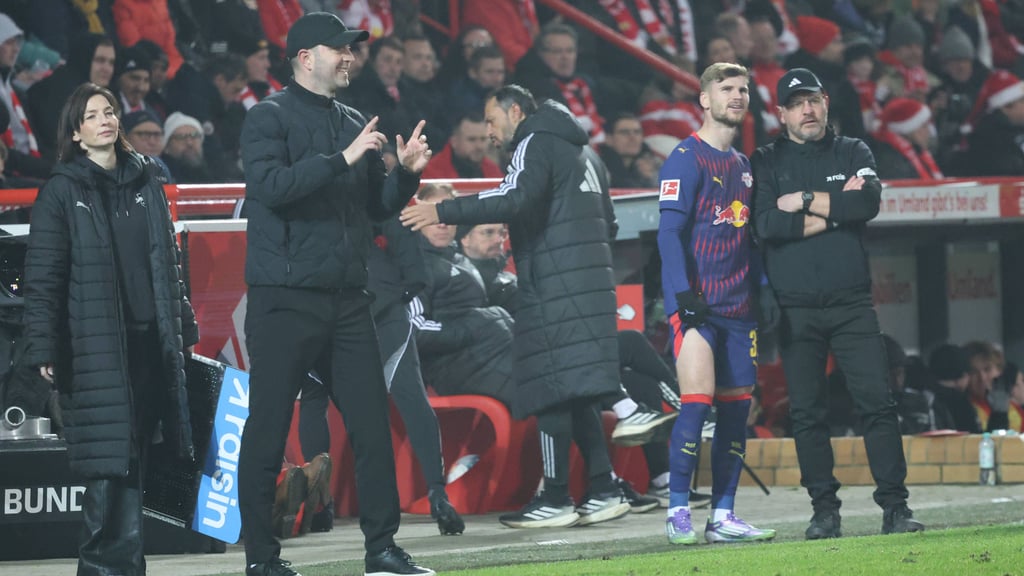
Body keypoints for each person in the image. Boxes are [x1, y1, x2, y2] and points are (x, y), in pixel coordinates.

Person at [236, 12, 434, 576]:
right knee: (268, 429)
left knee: (371, 426)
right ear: (305, 58)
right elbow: (270, 187)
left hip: (347, 299)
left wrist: (407, 176)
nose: (349, 57)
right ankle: (262, 560)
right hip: (283, 297)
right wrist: (343, 158)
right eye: (338, 48)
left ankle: (382, 551)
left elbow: (376, 207)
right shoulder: (267, 116)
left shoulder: (352, 120)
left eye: (351, 49)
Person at [400, 85, 630, 529]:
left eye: (492, 120)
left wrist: (444, 211)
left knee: (547, 385)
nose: (489, 132)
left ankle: (558, 497)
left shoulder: (534, 142)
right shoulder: (585, 152)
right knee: (572, 384)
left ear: (517, 112)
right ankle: (605, 484)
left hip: (553, 285)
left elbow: (512, 197)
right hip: (586, 283)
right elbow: (611, 223)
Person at [23, 82, 198, 576]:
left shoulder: (146, 179)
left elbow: (168, 264)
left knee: (135, 457)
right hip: (94, 346)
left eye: (109, 111)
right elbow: (44, 277)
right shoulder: (62, 190)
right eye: (92, 115)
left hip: (149, 343)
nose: (105, 120)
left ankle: (124, 566)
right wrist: (43, 346)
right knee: (107, 462)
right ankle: (100, 567)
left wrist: (183, 329)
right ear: (76, 133)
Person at [751, 67, 924, 540]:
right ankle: (824, 512)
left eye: (813, 100)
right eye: (796, 104)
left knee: (878, 405)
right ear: (781, 113)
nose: (807, 110)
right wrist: (832, 212)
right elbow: (765, 224)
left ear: (826, 103)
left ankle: (895, 508)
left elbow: (866, 204)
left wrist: (803, 199)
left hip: (851, 302)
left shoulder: (853, 150)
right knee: (807, 413)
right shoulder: (765, 160)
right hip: (794, 308)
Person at [656, 62, 775, 546]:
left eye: (743, 89)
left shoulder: (743, 166)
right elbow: (668, 235)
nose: (737, 96)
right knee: (696, 403)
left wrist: (762, 290)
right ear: (705, 99)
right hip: (698, 309)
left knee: (735, 413)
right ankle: (678, 511)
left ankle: (723, 516)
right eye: (726, 89)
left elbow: (748, 241)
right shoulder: (685, 158)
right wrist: (684, 298)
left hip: (738, 310)